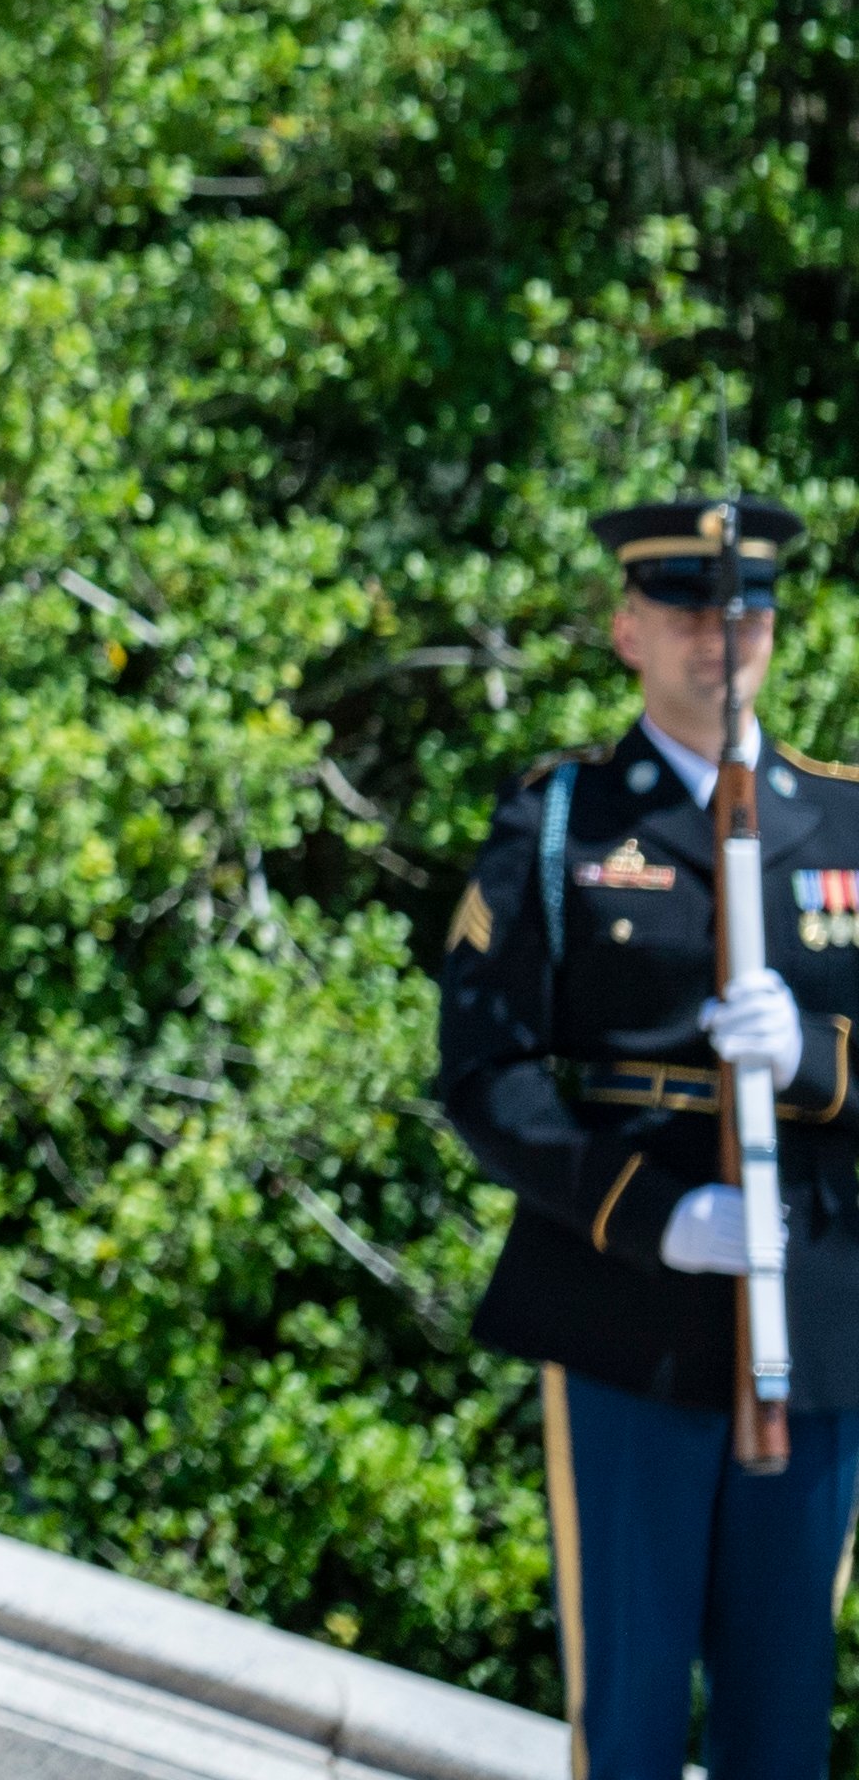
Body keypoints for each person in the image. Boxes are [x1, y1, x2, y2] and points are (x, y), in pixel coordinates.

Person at [433, 498, 859, 1780]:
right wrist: (657, 1217)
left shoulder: (845, 827)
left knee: (783, 1721)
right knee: (626, 1715)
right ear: (627, 628)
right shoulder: (562, 824)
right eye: (684, 611)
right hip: (627, 1315)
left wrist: (818, 1060)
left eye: (746, 610)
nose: (719, 638)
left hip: (818, 1320)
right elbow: (484, 1073)